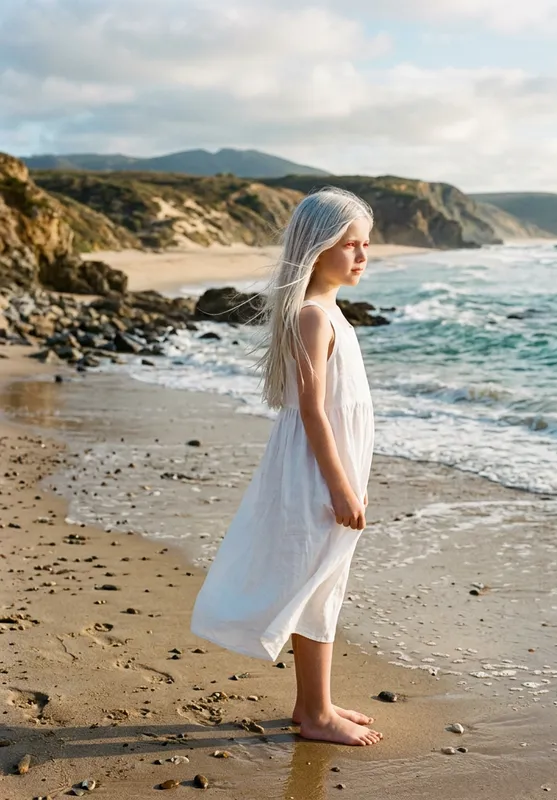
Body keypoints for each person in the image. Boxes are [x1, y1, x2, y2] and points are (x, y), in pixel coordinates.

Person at [190, 187, 382, 746]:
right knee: (317, 581)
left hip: (329, 468)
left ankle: (309, 703)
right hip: (318, 474)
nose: (362, 256)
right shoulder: (312, 319)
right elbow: (314, 414)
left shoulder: (330, 313)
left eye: (365, 244)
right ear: (318, 248)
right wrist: (341, 486)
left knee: (323, 578)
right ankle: (317, 715)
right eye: (351, 245)